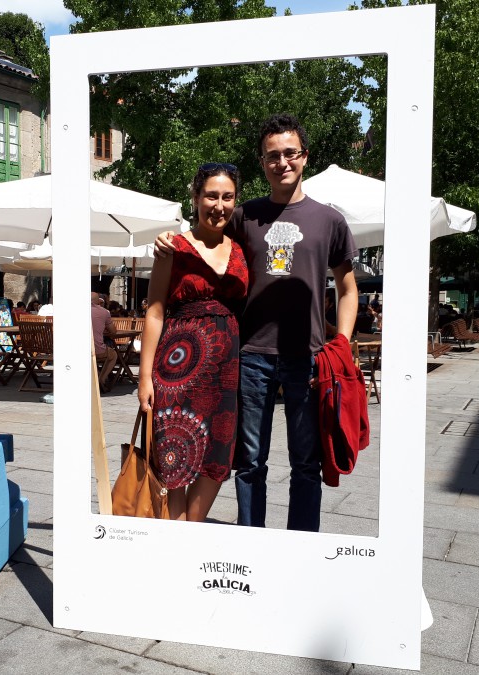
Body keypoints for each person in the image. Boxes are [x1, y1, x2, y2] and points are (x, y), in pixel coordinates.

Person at [156, 113, 359, 531]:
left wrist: (342, 342)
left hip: (308, 356)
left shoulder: (330, 220)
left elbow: (348, 287)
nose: (281, 162)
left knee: (307, 462)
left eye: (290, 153)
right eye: (272, 156)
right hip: (251, 355)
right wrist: (166, 237)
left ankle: (301, 543)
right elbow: (204, 228)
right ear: (262, 162)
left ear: (305, 156)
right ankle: (252, 540)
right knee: (249, 462)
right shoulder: (246, 215)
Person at [140, 162, 248, 522]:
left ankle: (192, 530)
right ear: (196, 197)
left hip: (224, 372)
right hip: (177, 369)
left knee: (217, 455)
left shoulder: (241, 246)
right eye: (211, 196)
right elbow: (154, 312)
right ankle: (177, 539)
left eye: (227, 197)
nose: (219, 205)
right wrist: (144, 380)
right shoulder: (174, 248)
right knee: (174, 459)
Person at [91, 292, 119, 393]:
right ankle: (101, 378)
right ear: (98, 301)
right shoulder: (104, 312)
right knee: (113, 355)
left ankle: (96, 376)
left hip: (78, 351)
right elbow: (113, 331)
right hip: (97, 350)